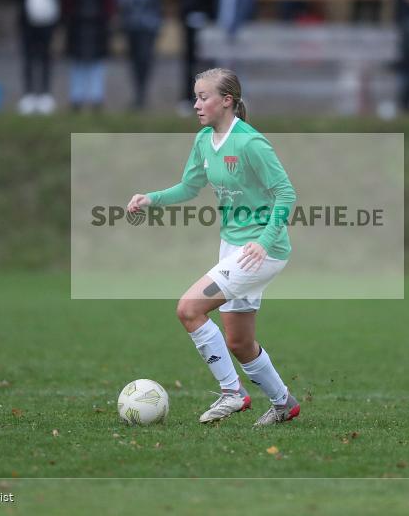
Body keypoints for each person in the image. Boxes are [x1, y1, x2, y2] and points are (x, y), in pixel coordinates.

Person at [126, 67, 300, 427]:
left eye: (203, 97)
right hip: (232, 247)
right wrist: (150, 199)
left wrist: (263, 241)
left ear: (227, 101)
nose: (196, 104)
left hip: (260, 251)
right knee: (239, 342)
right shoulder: (205, 140)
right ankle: (283, 403)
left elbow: (286, 193)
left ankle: (232, 392)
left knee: (189, 308)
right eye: (195, 97)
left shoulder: (250, 143)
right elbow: (189, 187)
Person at [12, 0, 61, 115]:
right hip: (28, 21)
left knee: (46, 57)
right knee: (28, 57)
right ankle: (29, 94)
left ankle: (45, 94)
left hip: (48, 20)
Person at [177, 0, 222, 114]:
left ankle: (211, 100)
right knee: (189, 62)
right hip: (190, 22)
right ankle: (187, 98)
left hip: (208, 23)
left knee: (210, 65)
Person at [64, 0, 112, 113]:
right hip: (77, 25)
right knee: (77, 63)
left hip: (97, 25)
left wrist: (105, 17)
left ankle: (96, 97)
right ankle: (76, 97)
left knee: (96, 64)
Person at [118, 0, 163, 111]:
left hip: (148, 26)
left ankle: (142, 93)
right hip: (131, 25)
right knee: (134, 60)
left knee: (145, 59)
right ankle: (137, 93)